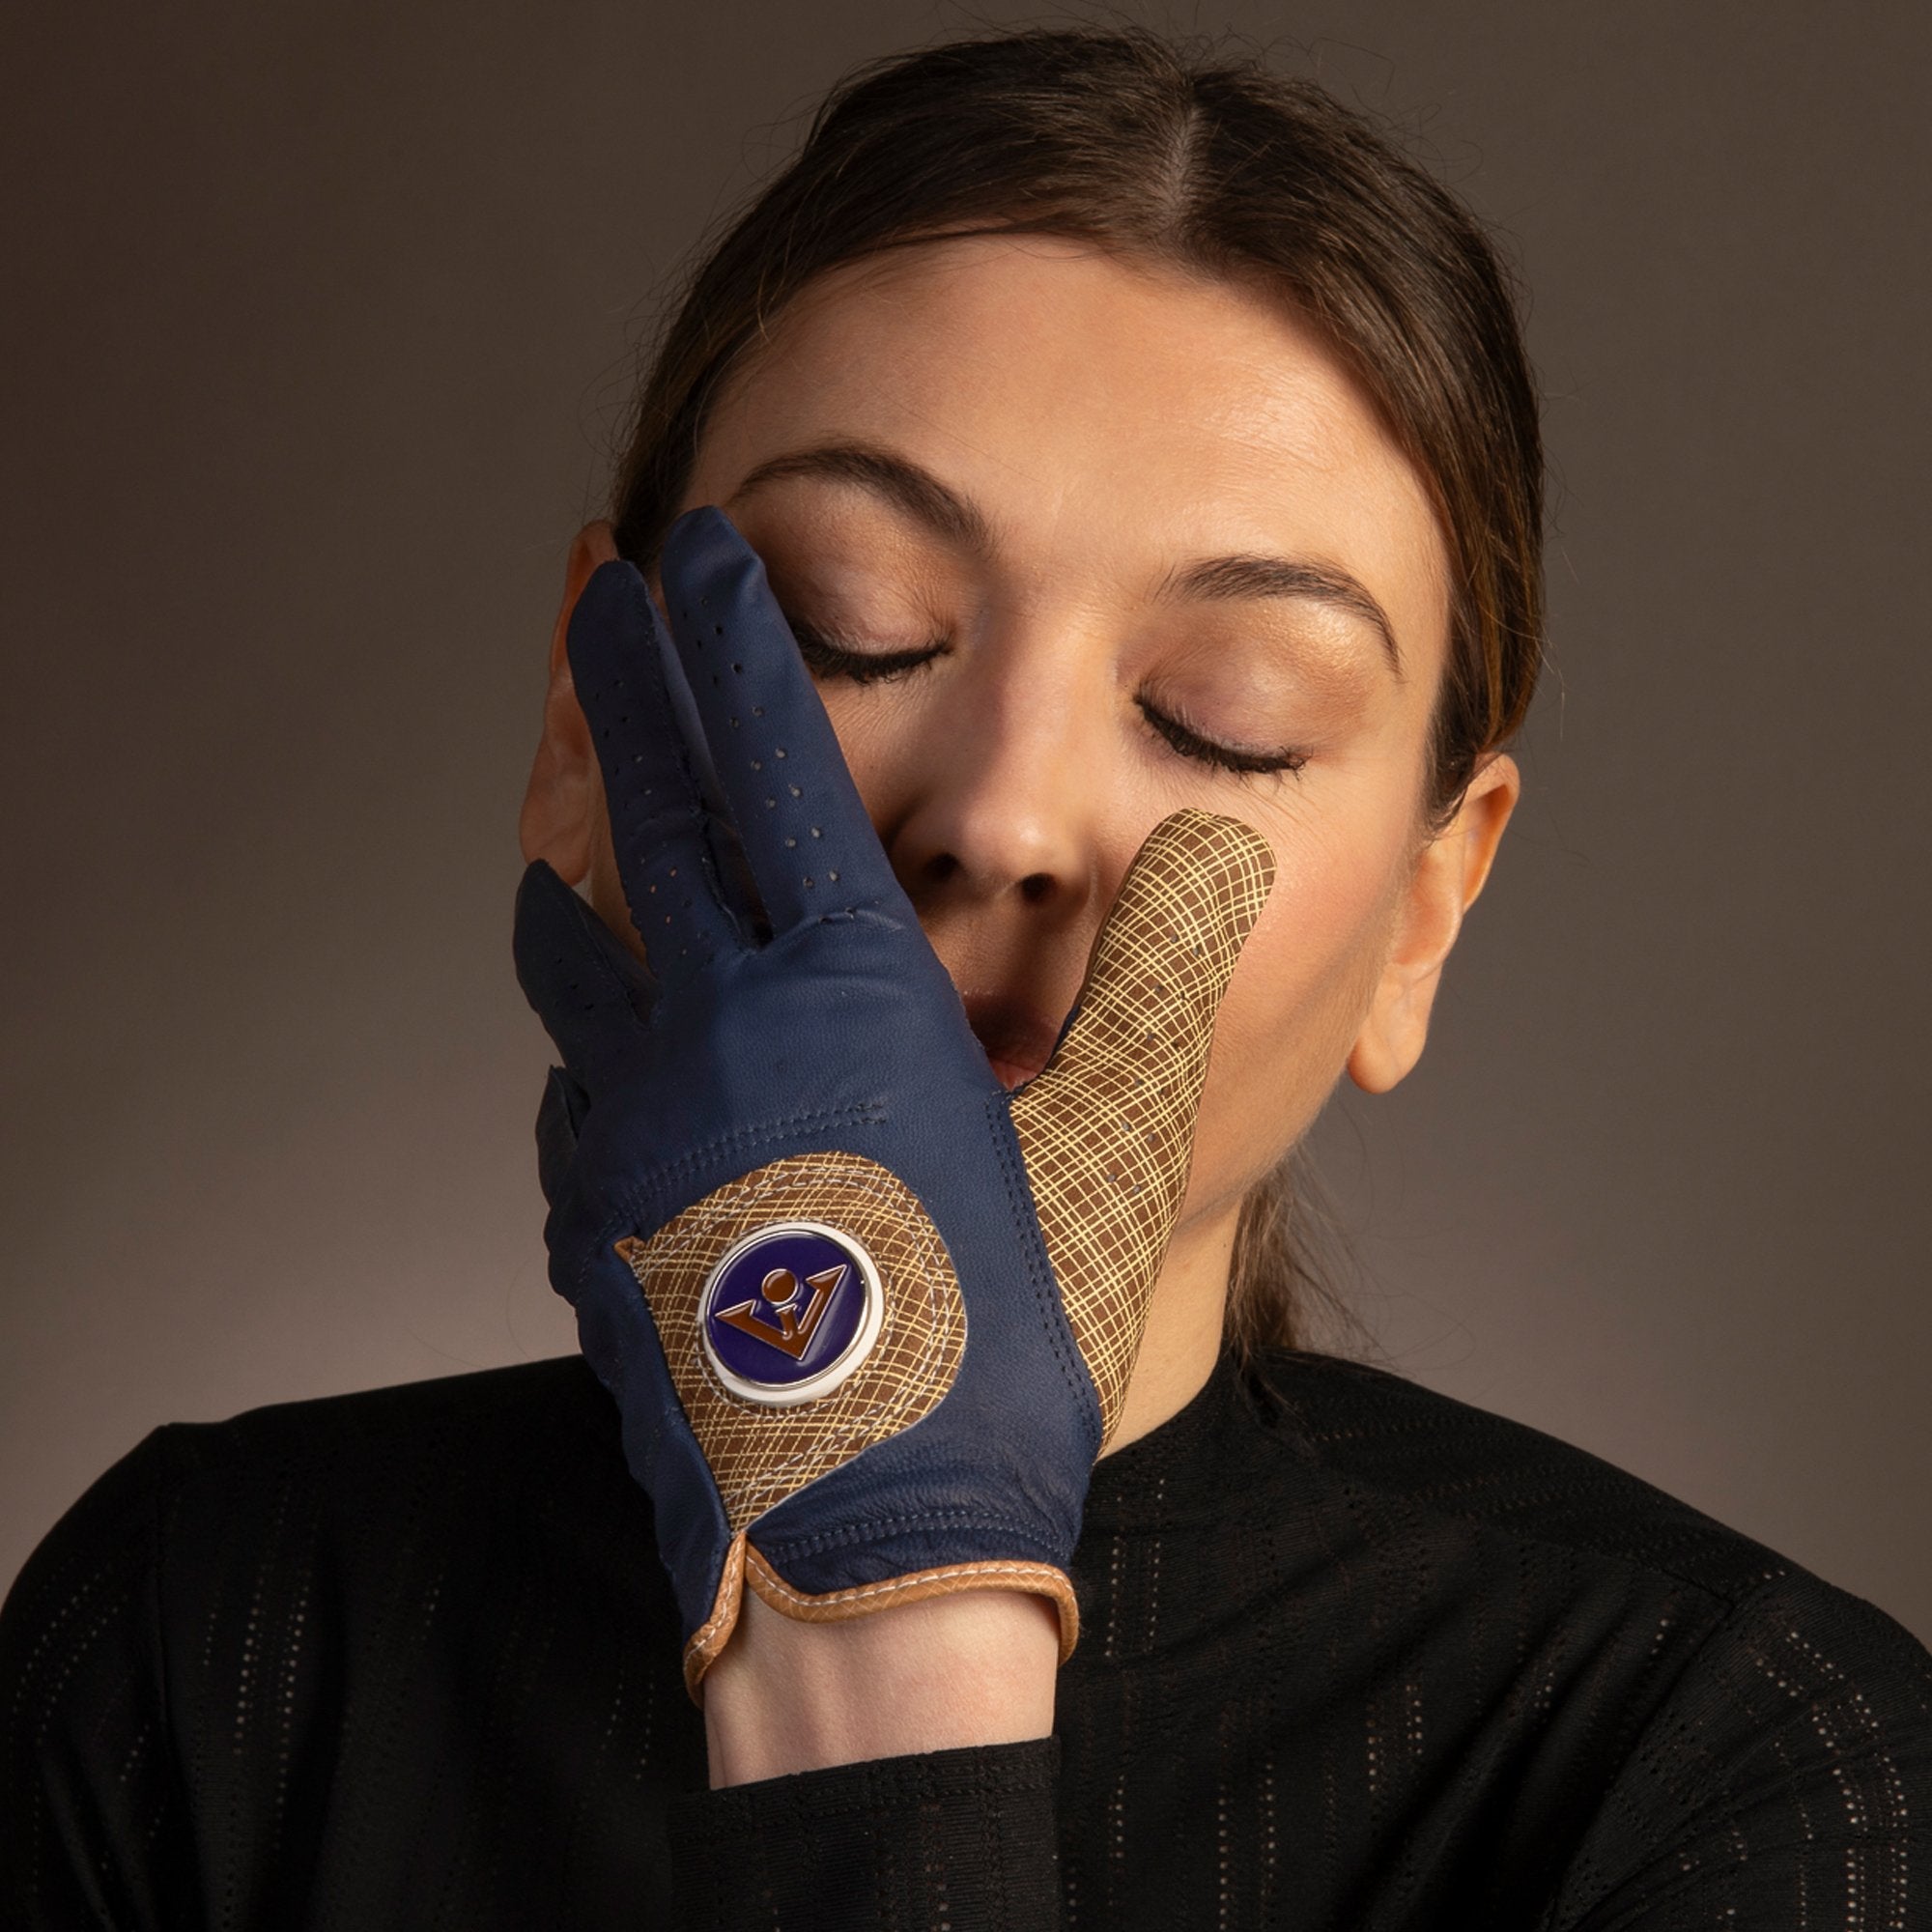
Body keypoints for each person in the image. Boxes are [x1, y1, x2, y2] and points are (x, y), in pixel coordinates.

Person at [4, 23, 1927, 1931]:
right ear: (590, 736)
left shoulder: (1748, 1763)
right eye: (854, 632)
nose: (1004, 813)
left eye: (1223, 718)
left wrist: (895, 1647)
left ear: (1421, 916)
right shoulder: (203, 1643)